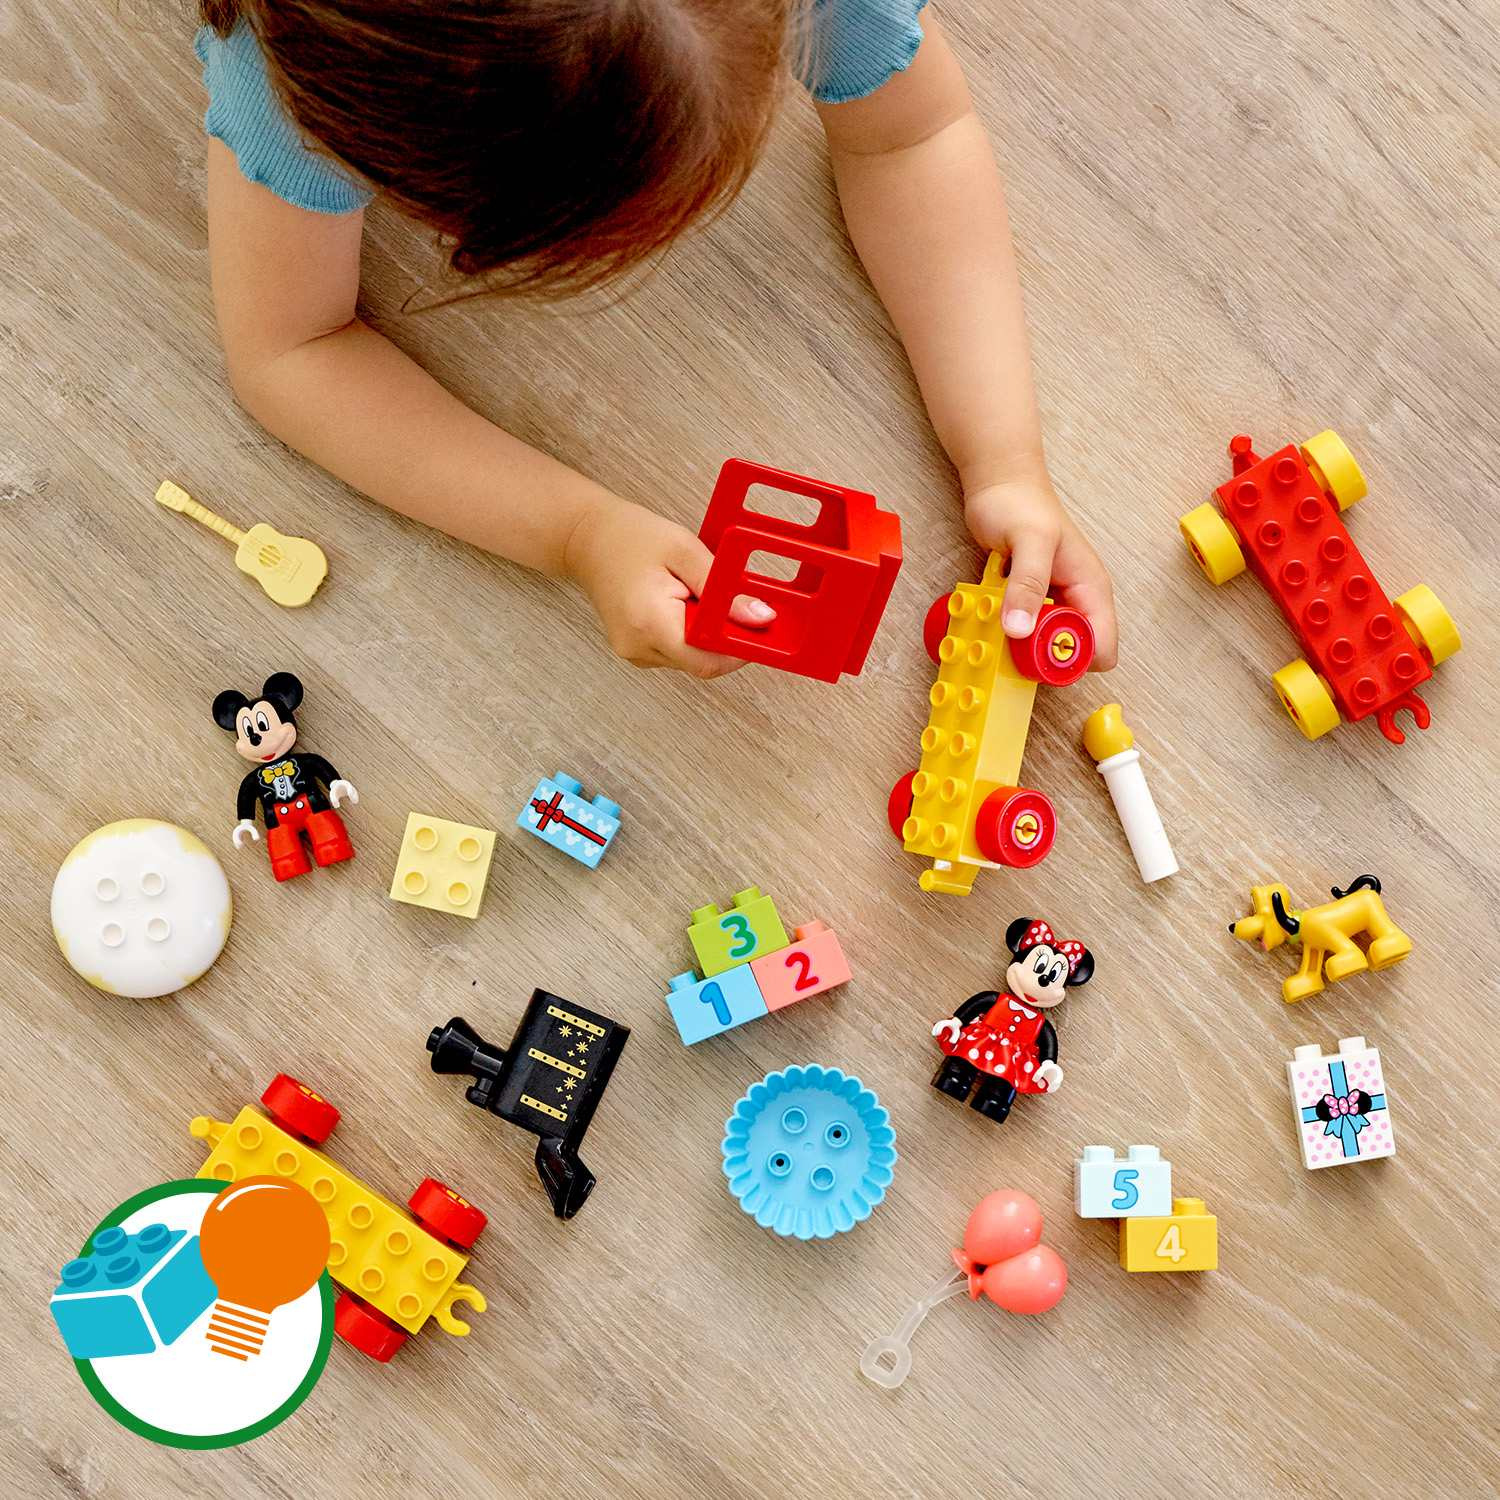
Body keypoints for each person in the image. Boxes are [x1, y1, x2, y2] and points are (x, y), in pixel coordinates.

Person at [196, 0, 1117, 676]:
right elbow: (291, 353)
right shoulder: (286, 91)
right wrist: (576, 531)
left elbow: (910, 137)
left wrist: (1003, 458)